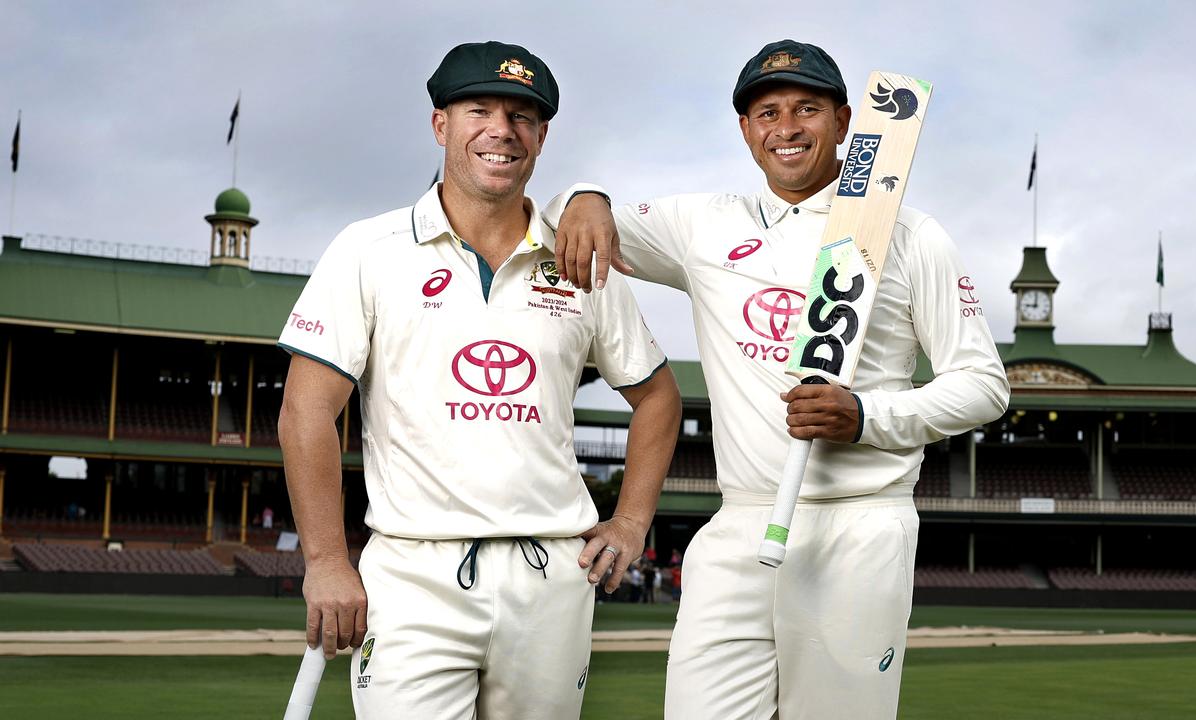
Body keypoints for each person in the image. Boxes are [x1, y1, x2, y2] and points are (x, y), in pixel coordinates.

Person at [544, 39, 1010, 719]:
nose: (786, 128)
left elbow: (983, 384)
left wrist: (866, 416)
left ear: (846, 120)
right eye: (767, 113)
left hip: (857, 526)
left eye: (806, 109)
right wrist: (584, 195)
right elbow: (576, 219)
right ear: (745, 129)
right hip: (739, 522)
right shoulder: (703, 224)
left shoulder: (913, 236)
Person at [277, 40, 680, 720]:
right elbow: (306, 412)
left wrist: (633, 520)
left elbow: (658, 396)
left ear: (542, 136)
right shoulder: (368, 250)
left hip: (552, 573)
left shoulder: (576, 258)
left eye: (522, 116)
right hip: (414, 573)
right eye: (479, 110)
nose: (502, 130)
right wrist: (325, 561)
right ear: (442, 125)